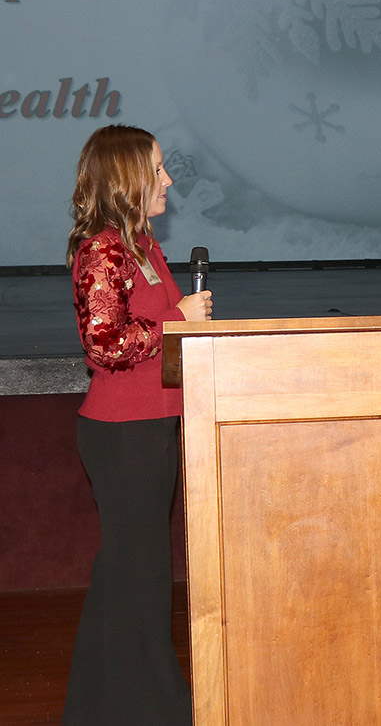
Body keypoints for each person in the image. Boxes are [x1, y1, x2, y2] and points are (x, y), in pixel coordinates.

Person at [63, 125, 213, 725]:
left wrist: (186, 325)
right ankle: (158, 708)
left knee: (127, 572)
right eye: (156, 169)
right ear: (125, 179)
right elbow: (105, 345)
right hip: (122, 433)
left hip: (153, 425)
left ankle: (98, 707)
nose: (168, 179)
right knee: (141, 575)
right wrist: (175, 318)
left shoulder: (143, 247)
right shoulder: (102, 250)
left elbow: (155, 337)